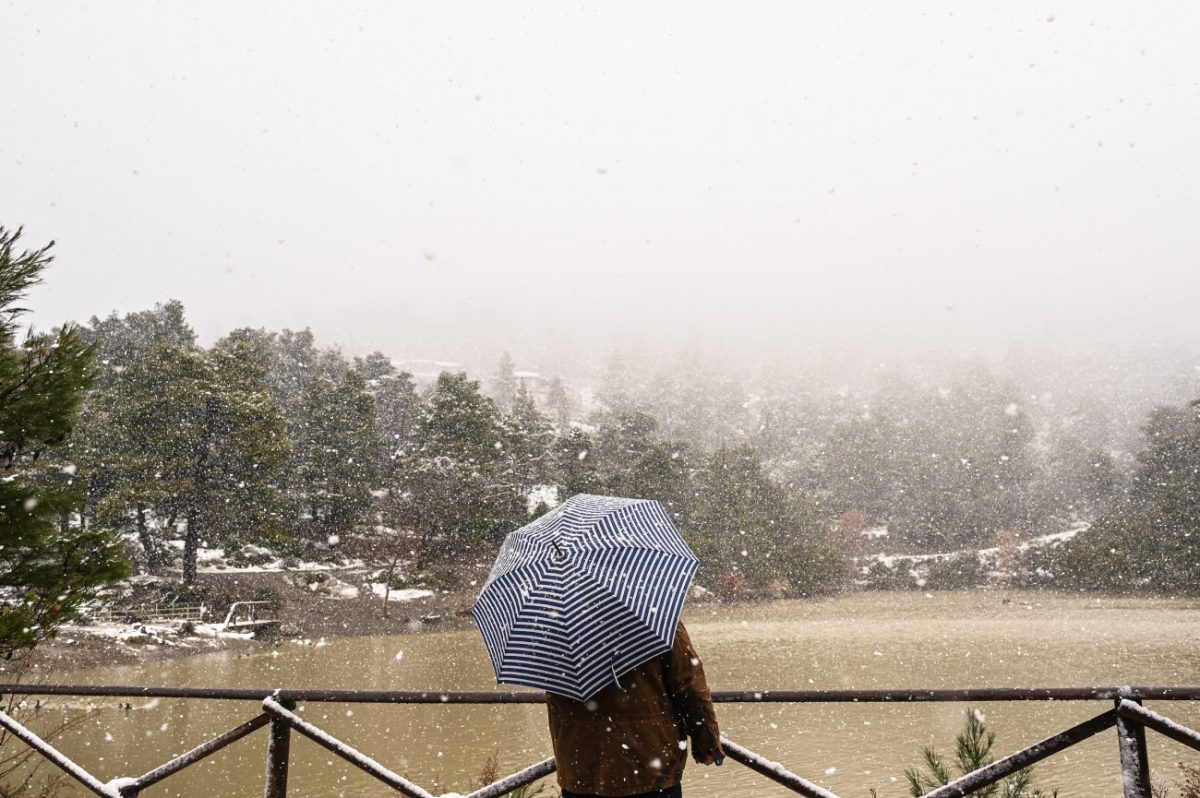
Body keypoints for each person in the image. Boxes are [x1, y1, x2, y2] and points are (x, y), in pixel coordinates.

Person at [545, 621, 723, 798]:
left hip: (580, 768)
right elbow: (688, 686)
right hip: (648, 766)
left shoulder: (554, 625)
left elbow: (553, 695)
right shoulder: (655, 617)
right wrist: (706, 742)